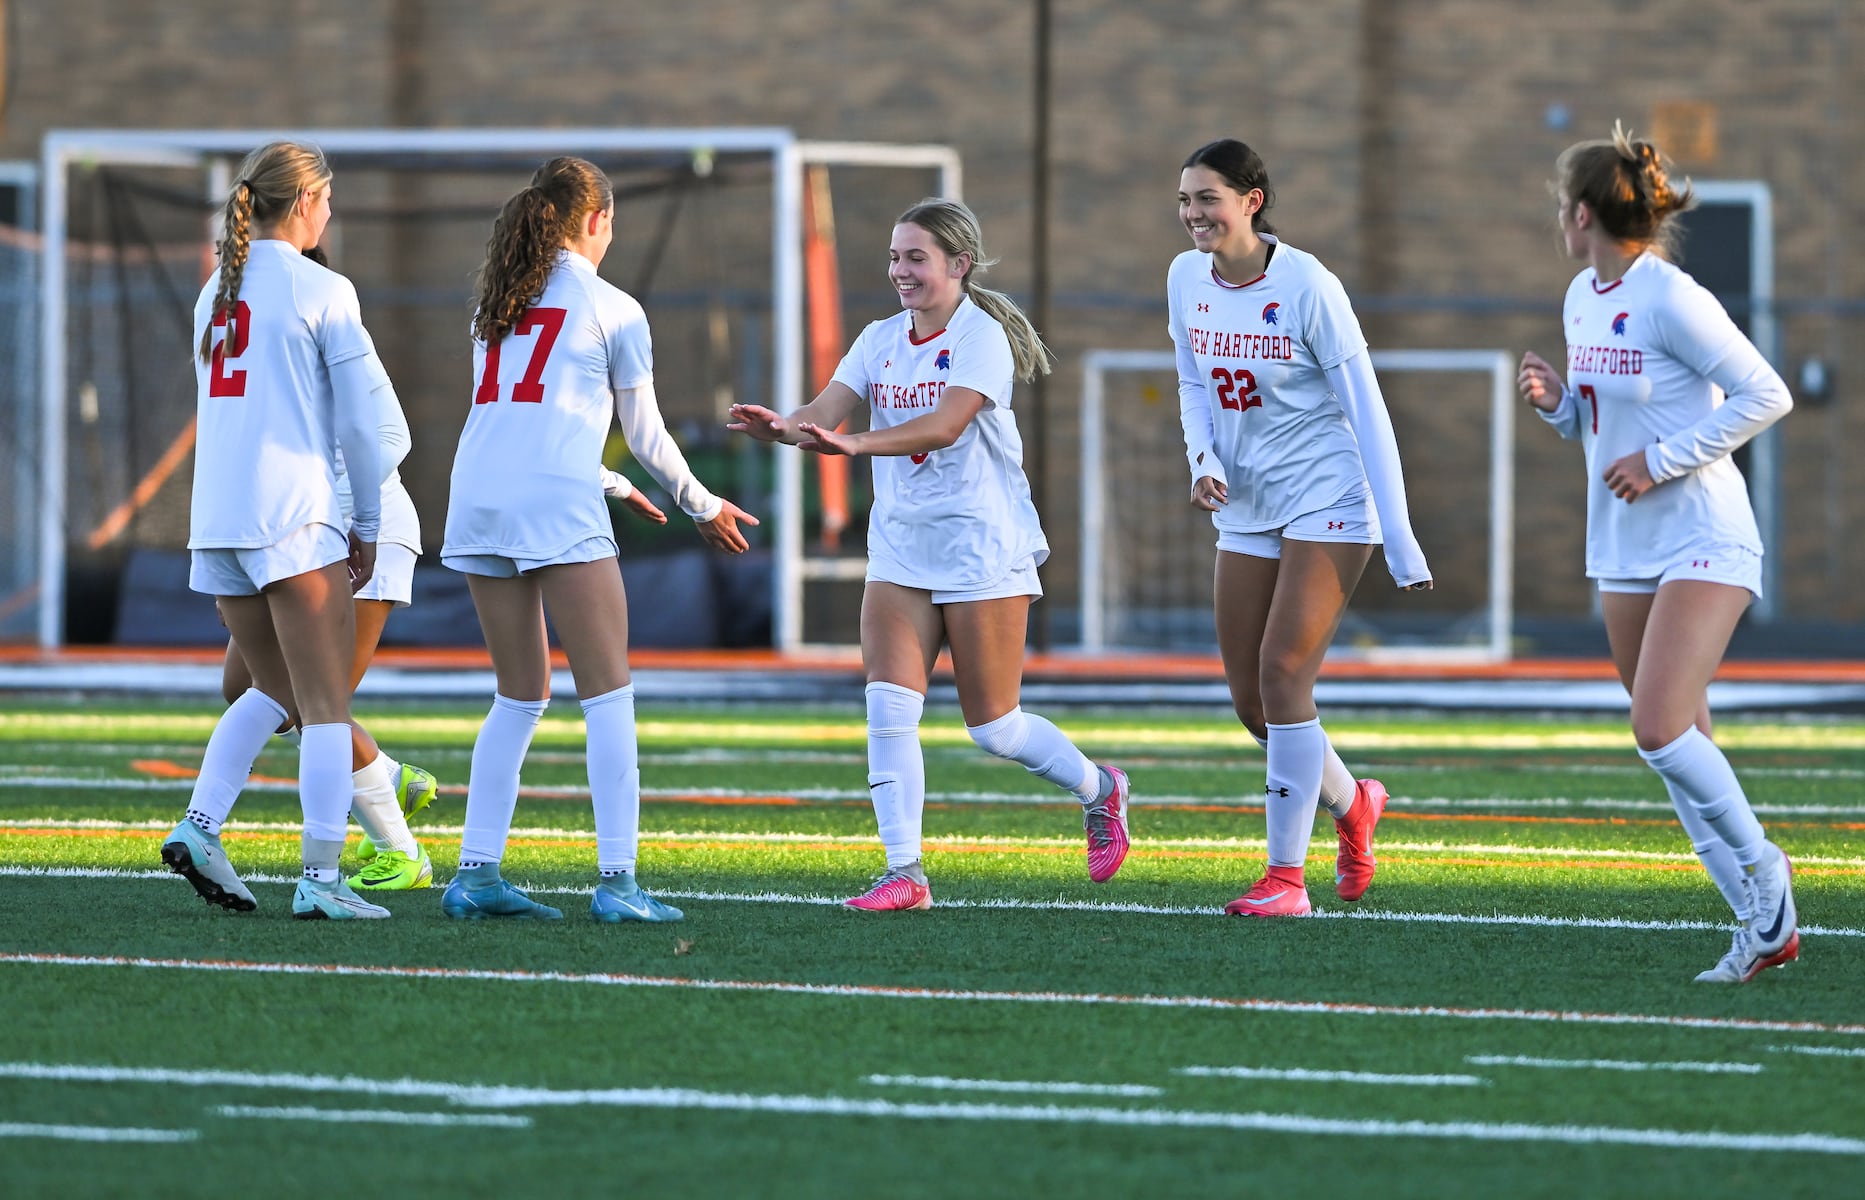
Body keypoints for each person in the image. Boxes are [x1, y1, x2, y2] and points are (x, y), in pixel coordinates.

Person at [728, 198, 1131, 911]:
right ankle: (904, 873)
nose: (900, 271)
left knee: (994, 728)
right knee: (886, 710)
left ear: (958, 265)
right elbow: (823, 416)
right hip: (901, 549)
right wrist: (781, 428)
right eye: (893, 257)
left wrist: (851, 445)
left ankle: (1101, 789)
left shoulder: (979, 338)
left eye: (915, 257)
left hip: (981, 545)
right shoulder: (879, 337)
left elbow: (944, 427)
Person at [439, 155, 758, 923]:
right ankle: (619, 884)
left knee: (517, 695)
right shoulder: (613, 305)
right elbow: (643, 432)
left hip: (478, 498)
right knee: (608, 696)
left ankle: (475, 875)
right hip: (551, 504)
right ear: (598, 221)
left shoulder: (494, 303)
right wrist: (702, 502)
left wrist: (613, 487)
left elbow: (524, 425)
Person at [1518, 123, 1796, 983]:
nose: (1556, 221)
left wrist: (1663, 460)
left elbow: (1766, 393)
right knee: (1672, 742)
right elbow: (1601, 428)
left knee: (1656, 721)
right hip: (1624, 544)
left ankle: (1767, 877)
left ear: (1580, 212)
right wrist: (1559, 405)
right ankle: (1756, 925)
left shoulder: (1671, 296)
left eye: (1559, 209)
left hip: (1704, 532)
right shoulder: (1578, 296)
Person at [1169, 139, 1432, 918]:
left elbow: (1367, 409)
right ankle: (1354, 804)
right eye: (1184, 201)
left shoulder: (1308, 284)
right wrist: (1201, 457)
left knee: (1286, 675)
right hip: (1244, 504)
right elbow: (1190, 380)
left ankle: (1286, 878)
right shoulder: (1185, 278)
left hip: (1329, 495)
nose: (1192, 215)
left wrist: (1398, 533)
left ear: (1252, 201)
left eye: (1207, 198)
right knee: (1253, 704)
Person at [159, 140, 392, 919]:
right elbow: (362, 428)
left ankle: (198, 826)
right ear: (304, 202)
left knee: (274, 690)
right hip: (291, 513)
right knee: (325, 707)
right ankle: (322, 882)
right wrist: (367, 519)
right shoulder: (322, 286)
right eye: (327, 198)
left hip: (217, 520)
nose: (330, 212)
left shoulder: (213, 294)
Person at [216, 246, 440, 893]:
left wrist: (339, 513)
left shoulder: (330, 315)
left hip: (359, 533)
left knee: (316, 705)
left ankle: (399, 850)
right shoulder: (255, 341)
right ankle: (385, 772)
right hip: (297, 538)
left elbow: (389, 435)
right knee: (249, 684)